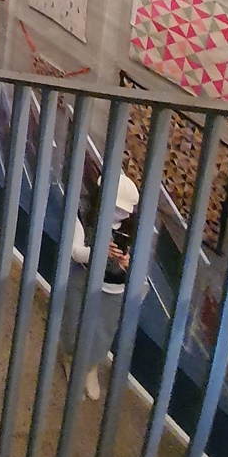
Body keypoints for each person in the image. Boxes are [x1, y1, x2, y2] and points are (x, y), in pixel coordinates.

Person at [59, 171, 140, 400]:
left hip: (115, 287)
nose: (120, 214)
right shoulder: (83, 211)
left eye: (124, 210)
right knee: (75, 320)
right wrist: (100, 251)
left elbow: (140, 262)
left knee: (104, 330)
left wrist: (127, 262)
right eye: (116, 207)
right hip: (84, 277)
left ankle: (91, 365)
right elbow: (76, 252)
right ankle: (70, 357)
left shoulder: (132, 227)